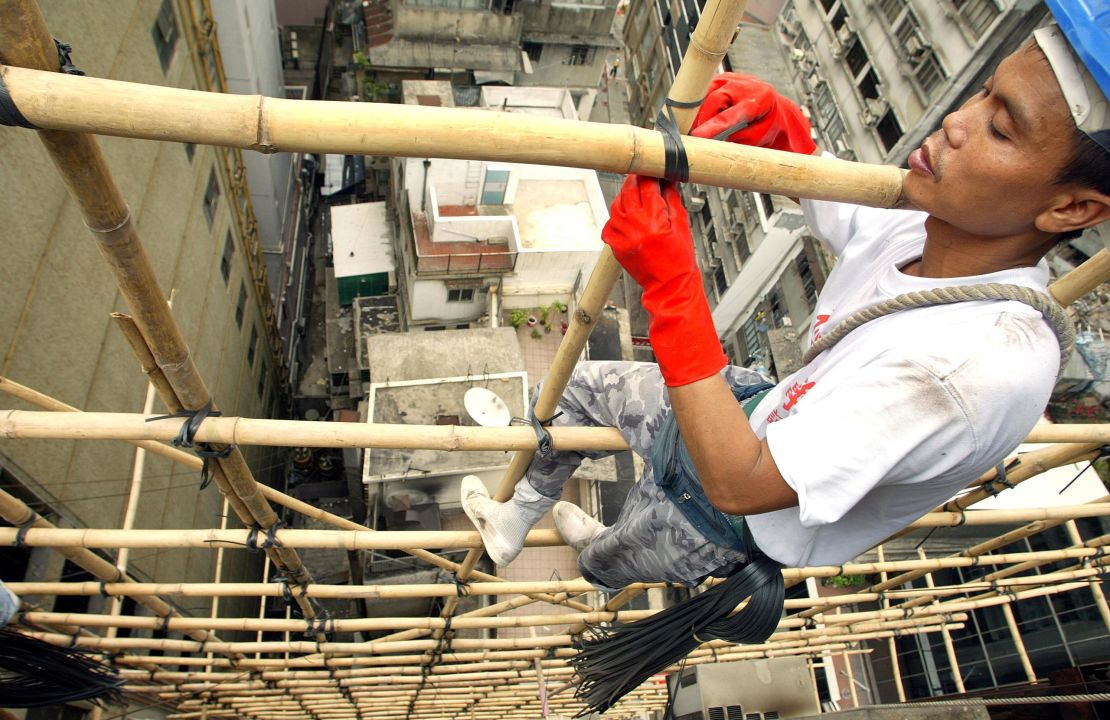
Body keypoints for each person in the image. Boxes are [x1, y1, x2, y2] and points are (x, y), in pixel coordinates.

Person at [461, 17, 1110, 592]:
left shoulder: (974, 369)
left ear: (1072, 209)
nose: (957, 121)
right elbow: (840, 209)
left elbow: (739, 486)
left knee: (613, 556)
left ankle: (596, 554)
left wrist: (672, 289)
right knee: (578, 387)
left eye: (1000, 126)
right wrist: (786, 138)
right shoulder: (938, 226)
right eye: (983, 92)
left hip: (731, 515)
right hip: (761, 408)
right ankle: (519, 515)